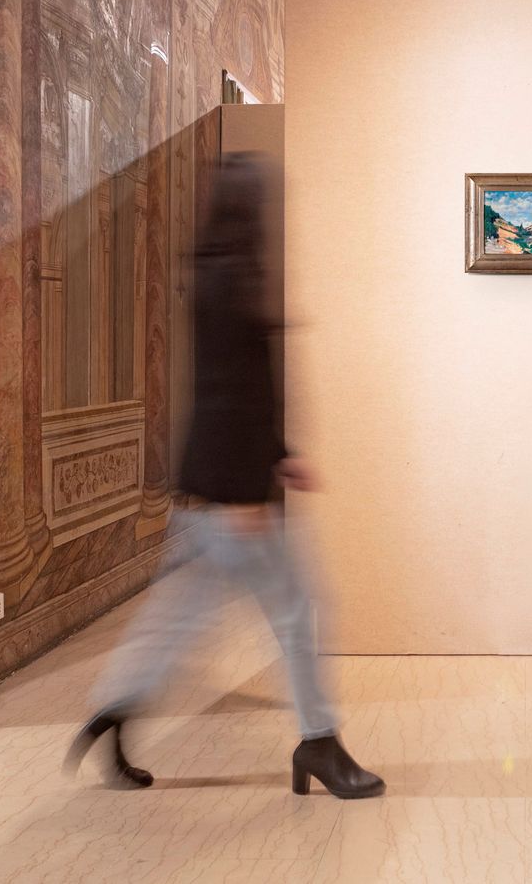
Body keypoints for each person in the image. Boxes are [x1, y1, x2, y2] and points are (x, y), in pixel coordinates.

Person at [65, 153, 384, 800]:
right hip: (232, 493)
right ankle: (319, 742)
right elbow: (232, 391)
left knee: (179, 620)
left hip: (207, 485)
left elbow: (241, 387)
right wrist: (247, 492)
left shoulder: (214, 274)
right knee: (298, 611)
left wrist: (282, 452)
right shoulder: (236, 281)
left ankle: (113, 711)